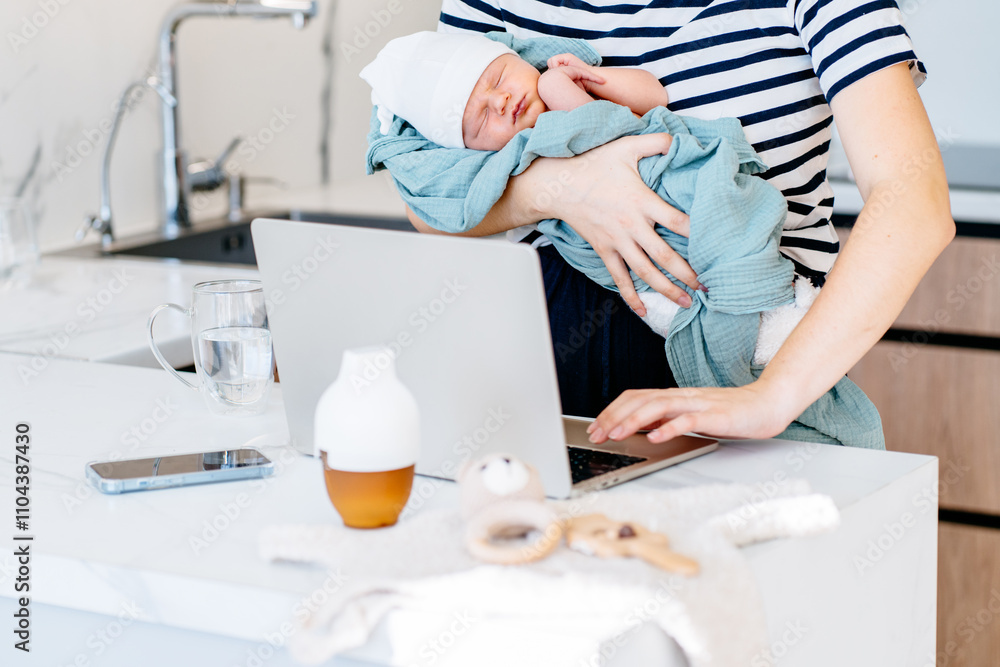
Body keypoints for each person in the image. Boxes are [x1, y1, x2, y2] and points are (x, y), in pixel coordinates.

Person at [406, 0, 954, 446]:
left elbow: (912, 201)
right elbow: (431, 203)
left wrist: (769, 400)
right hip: (541, 378)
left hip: (753, 366)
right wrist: (572, 188)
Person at [361, 30, 672, 152]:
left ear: (518, 59)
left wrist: (588, 78)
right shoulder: (518, 158)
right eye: (482, 120)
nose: (500, 101)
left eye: (499, 78)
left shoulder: (567, 79)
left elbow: (655, 96)